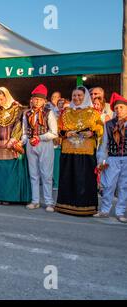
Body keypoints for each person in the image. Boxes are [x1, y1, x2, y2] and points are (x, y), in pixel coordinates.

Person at [55, 87, 104, 216]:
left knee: (84, 179)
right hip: (68, 151)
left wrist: (92, 132)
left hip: (86, 151)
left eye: (79, 95)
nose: (76, 98)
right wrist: (66, 133)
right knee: (68, 177)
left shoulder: (93, 112)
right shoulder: (65, 112)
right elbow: (58, 129)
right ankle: (66, 206)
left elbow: (100, 128)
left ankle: (85, 207)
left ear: (86, 96)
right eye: (74, 95)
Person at [22, 85, 58, 212]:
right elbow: (24, 132)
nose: (36, 101)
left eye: (39, 99)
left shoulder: (49, 113)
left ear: (44, 101)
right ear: (31, 100)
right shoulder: (26, 113)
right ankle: (35, 200)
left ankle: (49, 201)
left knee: (46, 174)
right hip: (31, 145)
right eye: (34, 99)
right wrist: (22, 142)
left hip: (45, 144)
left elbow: (54, 133)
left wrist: (40, 138)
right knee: (33, 174)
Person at [94, 93, 127, 223]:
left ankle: (120, 211)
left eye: (121, 107)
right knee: (108, 185)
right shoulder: (108, 124)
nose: (119, 110)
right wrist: (100, 161)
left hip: (126, 158)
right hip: (112, 159)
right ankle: (105, 210)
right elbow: (104, 145)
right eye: (117, 108)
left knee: (124, 186)